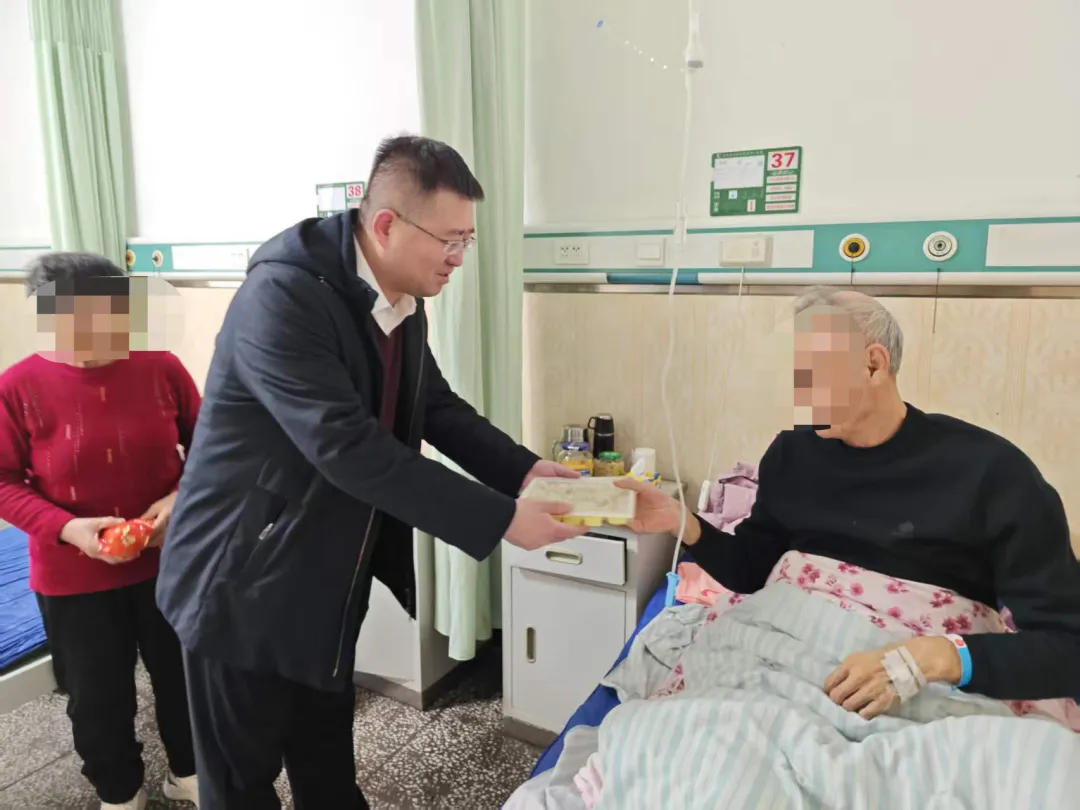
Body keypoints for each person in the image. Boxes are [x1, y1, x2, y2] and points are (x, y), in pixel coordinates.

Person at [156, 135, 585, 809]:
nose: (458, 258)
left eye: (467, 240)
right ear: (386, 225)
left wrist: (526, 471)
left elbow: (434, 406)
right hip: (240, 580)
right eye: (449, 240)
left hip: (323, 577)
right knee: (240, 784)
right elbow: (347, 447)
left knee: (327, 769)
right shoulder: (283, 298)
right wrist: (502, 519)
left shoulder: (400, 298)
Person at [619, 285, 1080, 720]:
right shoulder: (792, 455)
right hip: (778, 659)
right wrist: (683, 522)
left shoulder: (992, 472)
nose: (797, 393)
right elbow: (752, 573)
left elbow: (1067, 647)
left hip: (921, 680)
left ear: (873, 365)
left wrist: (933, 657)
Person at [0, 253, 200, 810]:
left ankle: (188, 771)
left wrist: (177, 501)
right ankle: (119, 791)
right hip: (72, 576)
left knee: (184, 679)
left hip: (167, 561)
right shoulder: (17, 387)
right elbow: (3, 481)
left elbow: (213, 448)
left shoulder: (162, 368)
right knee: (96, 699)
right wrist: (68, 528)